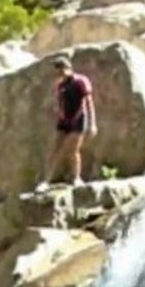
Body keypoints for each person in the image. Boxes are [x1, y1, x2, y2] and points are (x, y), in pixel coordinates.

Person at [36, 56, 97, 192]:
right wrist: (60, 114)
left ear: (68, 68)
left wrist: (92, 124)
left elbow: (88, 102)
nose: (59, 73)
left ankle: (76, 178)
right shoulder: (61, 85)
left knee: (73, 150)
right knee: (55, 149)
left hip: (79, 118)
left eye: (61, 69)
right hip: (65, 119)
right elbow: (60, 102)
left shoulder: (81, 81)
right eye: (57, 70)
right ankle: (46, 181)